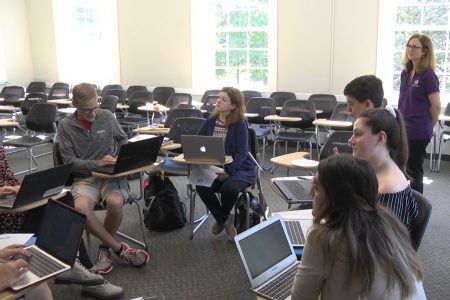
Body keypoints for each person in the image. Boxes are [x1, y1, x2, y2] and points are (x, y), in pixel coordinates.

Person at [291, 154, 426, 300]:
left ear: (337, 196)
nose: (310, 193)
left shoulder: (323, 239)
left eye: (316, 188)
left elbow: (300, 298)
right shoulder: (390, 223)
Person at [0, 146, 123, 299]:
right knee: (57, 214)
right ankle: (88, 275)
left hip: (12, 204)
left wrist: (16, 187)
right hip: (6, 218)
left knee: (63, 199)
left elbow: (7, 177)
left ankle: (79, 267)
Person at [58, 82, 149, 274]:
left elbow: (123, 139)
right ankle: (118, 248)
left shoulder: (106, 116)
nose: (92, 114)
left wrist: (121, 157)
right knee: (81, 208)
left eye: (95, 108)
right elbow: (69, 162)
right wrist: (96, 163)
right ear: (74, 103)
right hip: (86, 178)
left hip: (112, 176)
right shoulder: (65, 125)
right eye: (86, 110)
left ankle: (104, 249)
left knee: (115, 203)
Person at [195, 87, 257, 241]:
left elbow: (243, 153)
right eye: (219, 97)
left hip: (240, 168)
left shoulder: (239, 123)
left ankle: (221, 218)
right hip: (215, 167)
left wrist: (228, 171)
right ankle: (224, 219)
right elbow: (198, 143)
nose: (218, 101)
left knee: (228, 188)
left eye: (223, 99)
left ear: (233, 106)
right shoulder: (210, 121)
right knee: (201, 185)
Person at [349, 107, 419, 231]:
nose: (350, 140)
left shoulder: (387, 188)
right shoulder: (378, 171)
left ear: (380, 138)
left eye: (358, 134)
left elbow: (375, 244)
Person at [399, 33, 441, 194]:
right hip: (403, 128)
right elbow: (403, 101)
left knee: (414, 172)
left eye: (414, 47)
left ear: (424, 51)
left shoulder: (428, 75)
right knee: (401, 169)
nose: (410, 50)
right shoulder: (406, 72)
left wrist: (428, 127)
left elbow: (436, 106)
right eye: (408, 46)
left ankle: (416, 213)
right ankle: (402, 205)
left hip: (418, 131)